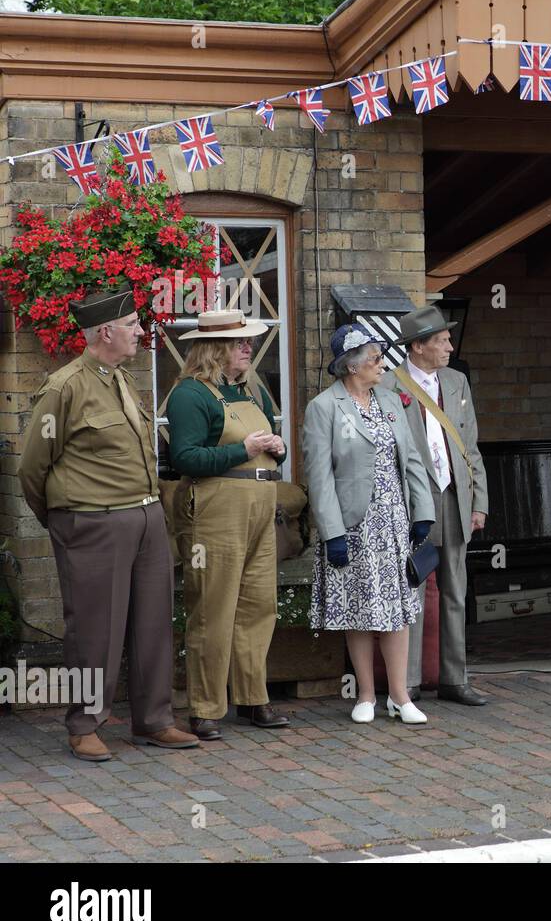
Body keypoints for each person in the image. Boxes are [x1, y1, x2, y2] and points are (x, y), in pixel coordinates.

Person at [18, 289, 198, 762]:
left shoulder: (119, 379)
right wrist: (66, 519)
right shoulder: (65, 387)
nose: (141, 332)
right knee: (96, 629)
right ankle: (84, 724)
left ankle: (154, 719)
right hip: (93, 524)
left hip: (146, 518)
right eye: (134, 324)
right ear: (105, 332)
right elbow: (32, 469)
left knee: (153, 624)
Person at [167, 309, 290, 740]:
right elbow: (184, 458)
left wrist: (278, 447)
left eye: (248, 342)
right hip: (217, 509)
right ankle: (204, 708)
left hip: (260, 505)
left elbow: (268, 448)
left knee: (259, 606)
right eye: (240, 342)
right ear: (215, 348)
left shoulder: (250, 391)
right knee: (213, 609)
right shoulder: (190, 395)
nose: (248, 348)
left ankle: (253, 699)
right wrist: (245, 450)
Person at [304, 323, 435, 724]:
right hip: (353, 525)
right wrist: (332, 532)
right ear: (352, 366)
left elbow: (412, 458)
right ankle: (364, 695)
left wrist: (423, 511)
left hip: (394, 519)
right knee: (358, 609)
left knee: (397, 609)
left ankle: (399, 696)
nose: (383, 365)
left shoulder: (391, 401)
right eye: (376, 359)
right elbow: (318, 474)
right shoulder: (324, 407)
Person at [381, 304, 489, 705]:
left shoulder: (457, 381)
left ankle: (454, 678)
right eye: (441, 340)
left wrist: (480, 502)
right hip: (413, 502)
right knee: (410, 590)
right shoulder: (389, 387)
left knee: (455, 590)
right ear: (418, 346)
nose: (448, 346)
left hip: (455, 496)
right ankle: (406, 683)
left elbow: (471, 446)